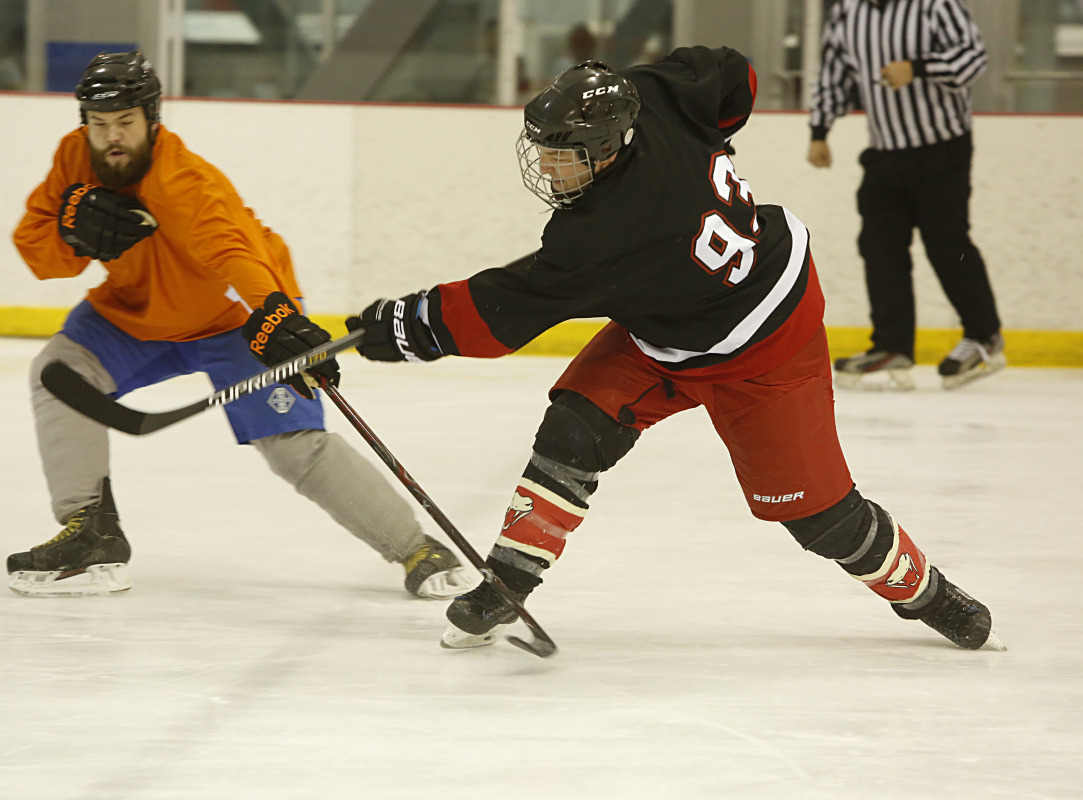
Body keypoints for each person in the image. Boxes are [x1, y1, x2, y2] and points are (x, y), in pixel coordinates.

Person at [247, 49, 1004, 653]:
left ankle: (929, 595)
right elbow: (732, 73)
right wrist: (720, 140)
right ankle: (506, 584)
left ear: (607, 148)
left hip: (766, 345)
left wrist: (385, 328)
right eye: (542, 149)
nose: (547, 169)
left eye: (564, 156)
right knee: (575, 425)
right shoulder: (649, 93)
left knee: (818, 517)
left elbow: (496, 313)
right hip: (667, 323)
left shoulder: (611, 235)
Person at [8, 51, 470, 600]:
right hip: (134, 313)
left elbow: (237, 254)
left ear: (152, 120)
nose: (111, 138)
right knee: (59, 373)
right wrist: (68, 232)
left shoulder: (186, 182)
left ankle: (416, 547)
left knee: (294, 444)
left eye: (125, 123)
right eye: (99, 124)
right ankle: (91, 535)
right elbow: (35, 251)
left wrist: (277, 316)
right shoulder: (73, 158)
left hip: (232, 319)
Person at [808, 0, 1004, 391]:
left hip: (943, 147)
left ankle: (984, 337)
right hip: (885, 152)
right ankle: (892, 346)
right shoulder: (847, 12)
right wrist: (820, 131)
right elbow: (833, 74)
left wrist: (918, 67)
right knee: (879, 247)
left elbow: (973, 59)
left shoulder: (935, 4)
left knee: (947, 243)